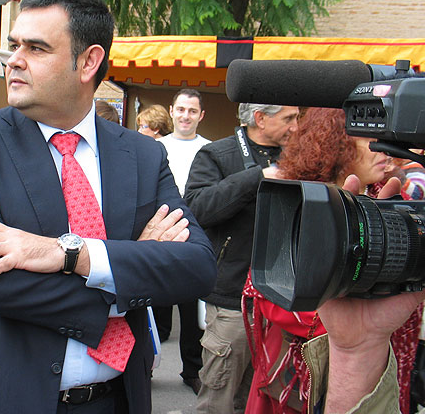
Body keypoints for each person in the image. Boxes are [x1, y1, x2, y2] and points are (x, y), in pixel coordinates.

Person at [0, 0, 217, 414]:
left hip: (115, 401)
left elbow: (196, 268)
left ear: (88, 62)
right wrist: (131, 268)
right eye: (14, 45)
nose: (14, 60)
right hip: (3, 398)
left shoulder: (141, 154)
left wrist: (74, 255)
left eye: (36, 48)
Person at [242, 108, 421, 414]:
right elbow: (272, 293)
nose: (384, 150)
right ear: (336, 145)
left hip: (380, 380)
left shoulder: (394, 204)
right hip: (302, 378)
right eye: (370, 139)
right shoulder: (299, 208)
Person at [184, 102, 299, 414]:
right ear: (260, 119)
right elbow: (197, 209)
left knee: (260, 397)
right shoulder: (217, 154)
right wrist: (257, 177)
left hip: (280, 300)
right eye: (289, 118)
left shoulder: (297, 154)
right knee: (219, 398)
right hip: (233, 299)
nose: (296, 126)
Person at [153, 89, 211, 394]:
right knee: (151, 306)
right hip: (158, 237)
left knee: (191, 310)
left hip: (193, 237)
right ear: (171, 111)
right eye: (181, 109)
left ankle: (192, 369)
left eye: (192, 111)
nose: (185, 116)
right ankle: (144, 369)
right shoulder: (155, 148)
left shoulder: (210, 151)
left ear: (201, 116)